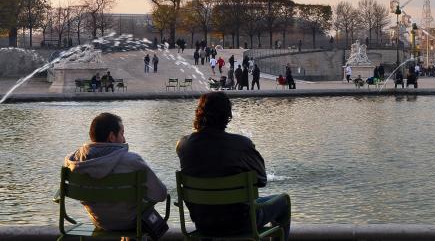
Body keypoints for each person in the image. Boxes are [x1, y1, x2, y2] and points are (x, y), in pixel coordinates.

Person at [177, 92, 290, 239]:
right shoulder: (242, 144)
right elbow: (262, 179)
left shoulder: (183, 145)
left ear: (199, 113)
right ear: (227, 115)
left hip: (204, 222)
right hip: (241, 222)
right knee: (283, 201)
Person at [65, 113, 167, 231]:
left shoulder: (73, 162)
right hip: (132, 223)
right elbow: (161, 194)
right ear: (112, 136)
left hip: (99, 222)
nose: (124, 139)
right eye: (122, 133)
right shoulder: (132, 161)